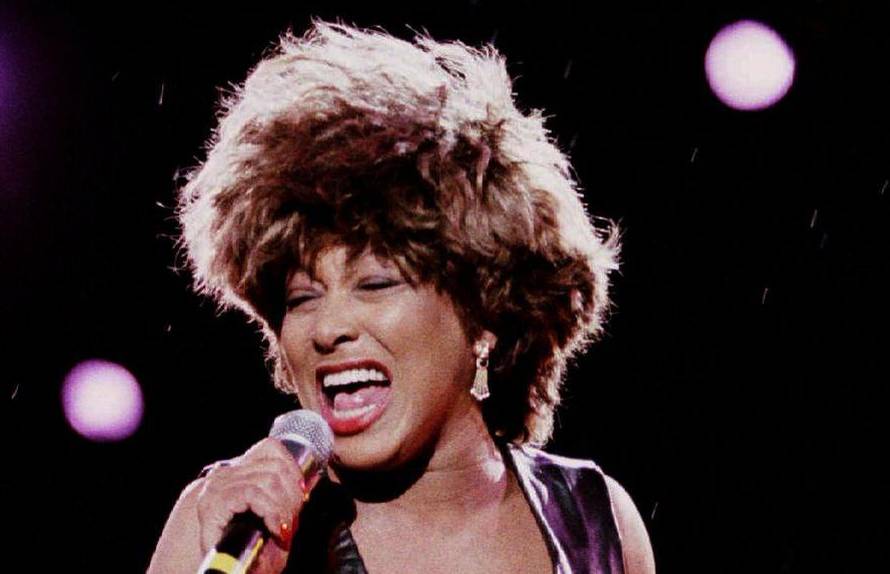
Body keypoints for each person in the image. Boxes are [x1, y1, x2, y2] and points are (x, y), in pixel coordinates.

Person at [148, 20, 655, 574]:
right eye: (300, 298)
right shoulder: (227, 527)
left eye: (375, 283)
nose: (327, 327)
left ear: (485, 313)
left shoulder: (595, 522)